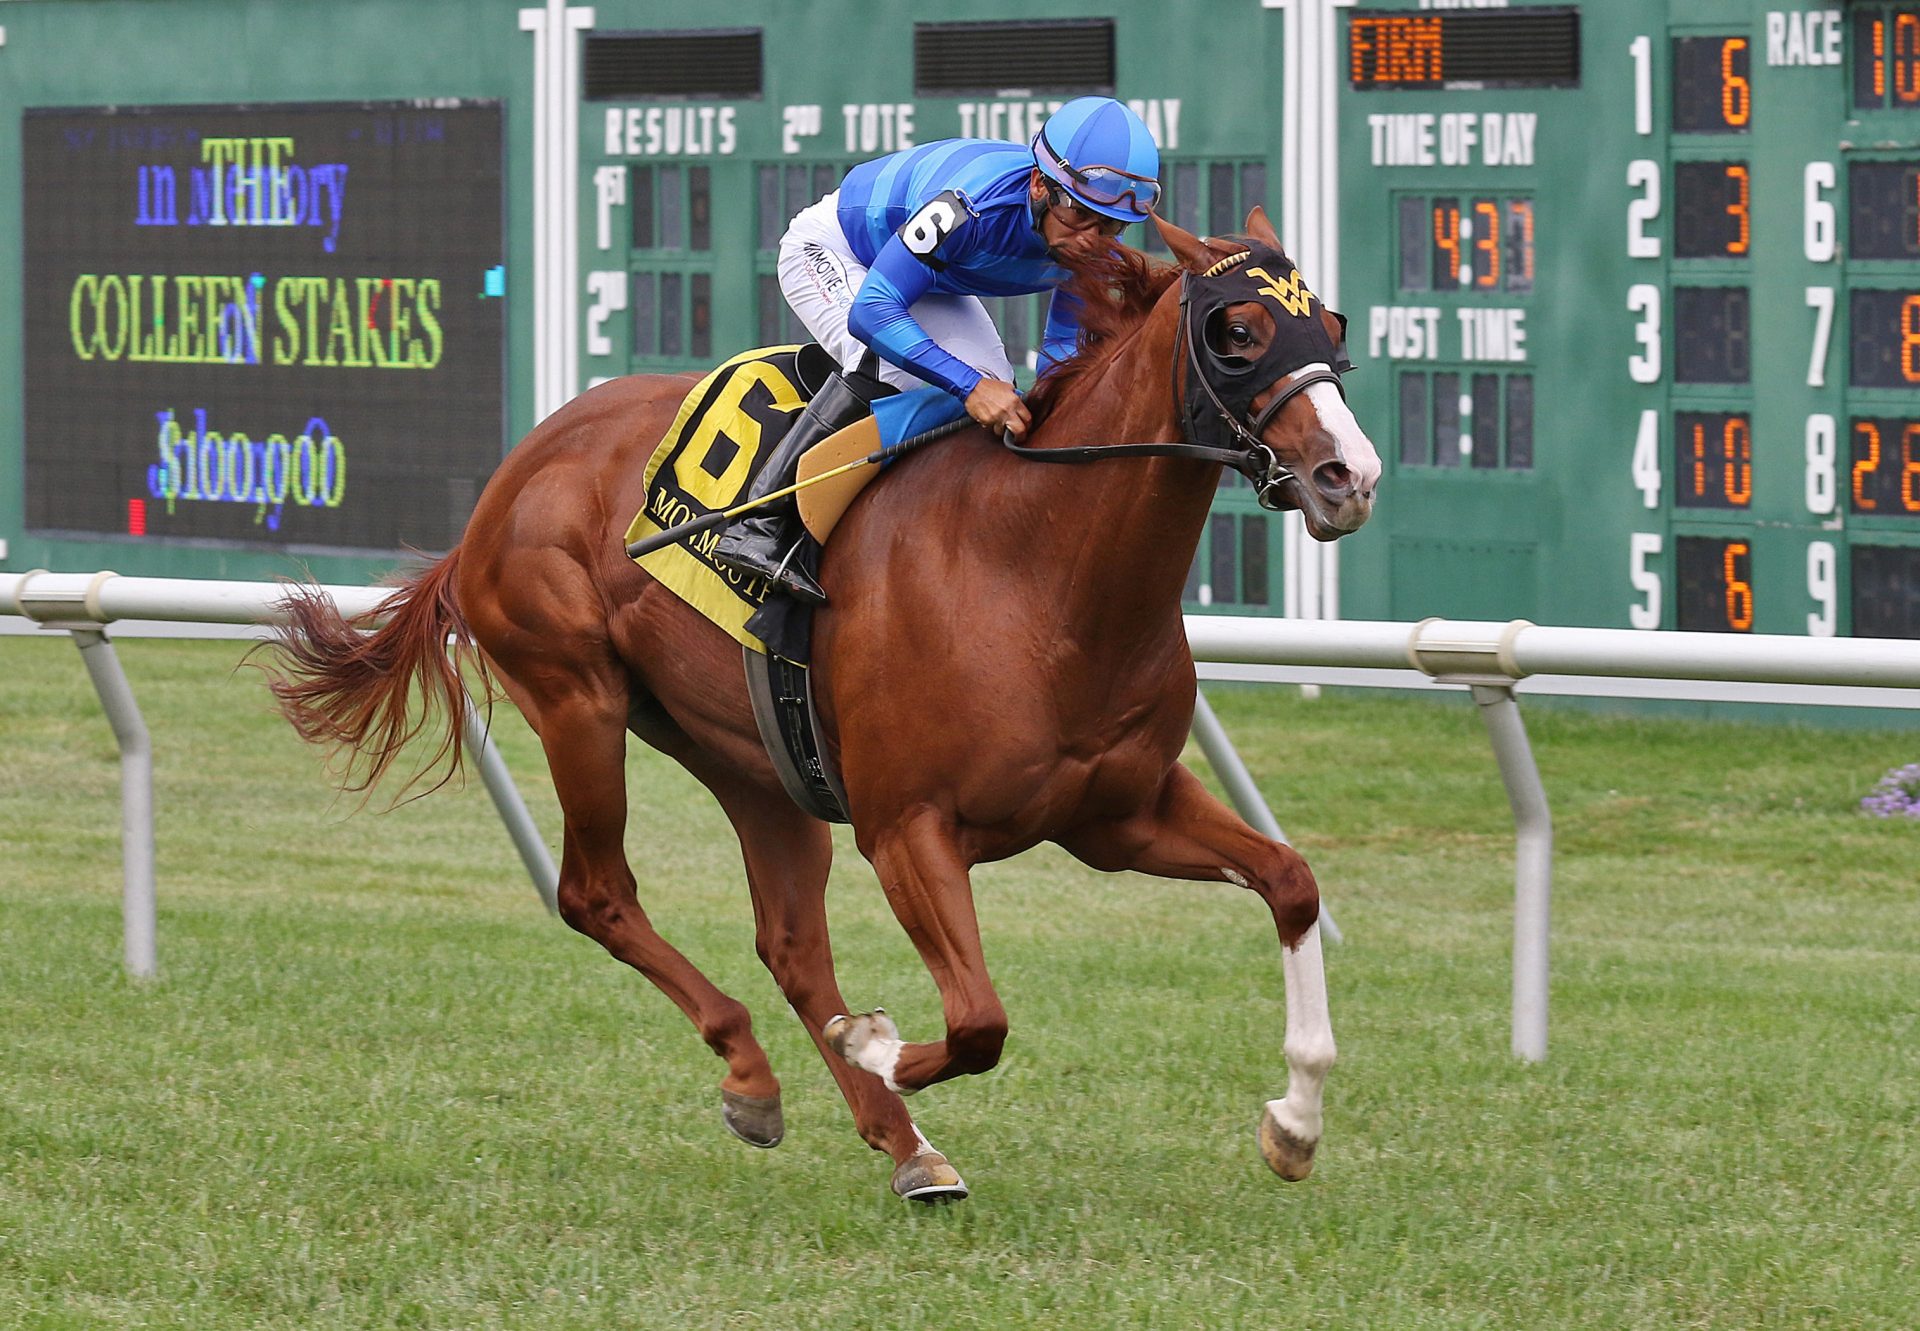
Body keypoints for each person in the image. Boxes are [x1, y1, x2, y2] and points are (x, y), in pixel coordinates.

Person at [710, 96, 1162, 605]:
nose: (1094, 242)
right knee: (895, 367)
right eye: (1083, 216)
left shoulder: (1084, 237)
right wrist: (970, 387)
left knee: (1005, 398)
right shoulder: (970, 204)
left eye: (1112, 227)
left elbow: (1061, 355)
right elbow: (873, 312)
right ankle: (760, 521)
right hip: (838, 251)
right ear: (1040, 185)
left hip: (930, 279)